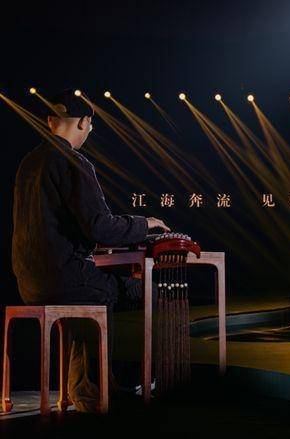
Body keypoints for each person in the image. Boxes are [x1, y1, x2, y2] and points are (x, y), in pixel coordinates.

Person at [11, 89, 170, 412]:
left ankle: (89, 386)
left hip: (29, 281)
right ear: (85, 122)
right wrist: (146, 223)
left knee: (95, 289)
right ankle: (135, 383)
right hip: (64, 277)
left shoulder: (29, 163)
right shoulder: (74, 161)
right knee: (143, 291)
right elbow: (100, 227)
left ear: (50, 121)